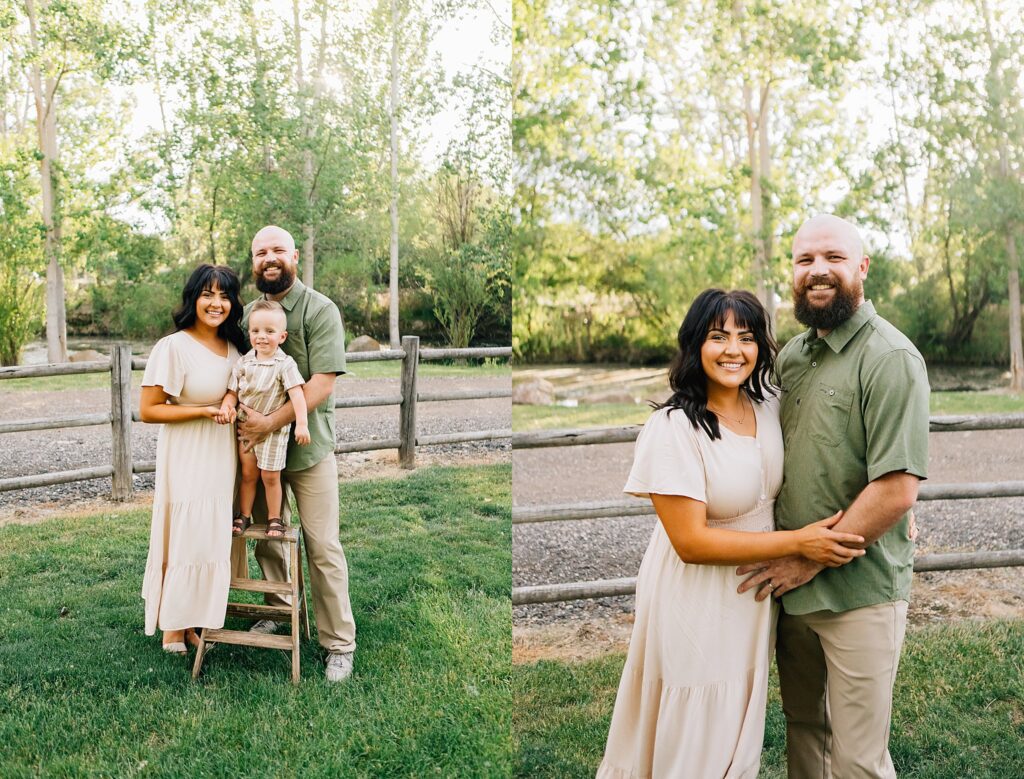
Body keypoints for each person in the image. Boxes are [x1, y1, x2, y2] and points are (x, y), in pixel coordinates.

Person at [597, 288, 866, 779]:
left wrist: (890, 497)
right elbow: (691, 542)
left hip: (750, 600)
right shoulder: (673, 428)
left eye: (746, 338)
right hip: (694, 601)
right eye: (718, 336)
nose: (733, 350)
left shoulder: (769, 405)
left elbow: (834, 451)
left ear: (762, 347)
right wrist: (797, 544)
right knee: (695, 726)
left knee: (735, 726)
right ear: (695, 344)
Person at [736, 214, 930, 779]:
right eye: (805, 261)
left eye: (834, 258)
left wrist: (801, 557)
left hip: (859, 591)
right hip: (792, 596)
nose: (818, 271)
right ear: (793, 274)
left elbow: (896, 488)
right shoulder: (791, 358)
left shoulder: (891, 359)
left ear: (862, 268)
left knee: (857, 760)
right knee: (806, 737)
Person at [234, 224, 357, 683]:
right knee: (269, 534)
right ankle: (279, 608)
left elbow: (322, 383)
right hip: (258, 450)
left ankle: (338, 643)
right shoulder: (247, 313)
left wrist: (271, 421)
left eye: (278, 250)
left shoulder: (321, 309)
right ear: (254, 261)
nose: (269, 257)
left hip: (308, 450)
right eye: (261, 251)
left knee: (322, 544)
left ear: (295, 256)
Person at [139, 264, 248, 654]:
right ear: (194, 299)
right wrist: (202, 410)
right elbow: (149, 410)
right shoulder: (173, 346)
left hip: (222, 454)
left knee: (210, 535)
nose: (216, 303)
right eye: (208, 294)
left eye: (224, 296)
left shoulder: (237, 348)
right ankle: (173, 625)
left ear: (233, 303)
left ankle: (195, 622)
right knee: (186, 532)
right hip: (186, 453)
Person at [218, 299, 310, 538]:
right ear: (249, 334)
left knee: (270, 476)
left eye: (270, 331)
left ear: (282, 336)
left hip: (273, 433)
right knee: (248, 474)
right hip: (246, 429)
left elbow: (297, 395)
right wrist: (227, 406)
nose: (262, 336)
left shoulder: (284, 364)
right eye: (256, 331)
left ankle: (274, 518)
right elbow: (232, 392)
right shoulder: (243, 363)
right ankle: (244, 515)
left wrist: (301, 423)